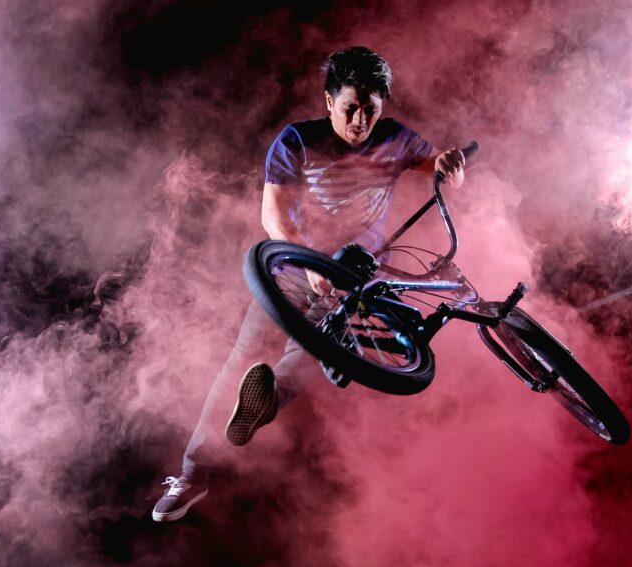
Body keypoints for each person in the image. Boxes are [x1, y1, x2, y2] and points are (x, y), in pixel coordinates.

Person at [152, 47, 466, 522]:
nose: (360, 121)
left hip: (352, 281)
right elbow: (272, 215)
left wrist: (450, 164)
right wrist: (313, 261)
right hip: (295, 269)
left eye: (370, 110)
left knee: (312, 355)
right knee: (243, 355)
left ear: (382, 107)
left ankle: (265, 402)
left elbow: (435, 164)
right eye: (350, 109)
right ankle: (193, 474)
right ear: (328, 101)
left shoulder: (397, 139)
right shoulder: (297, 140)